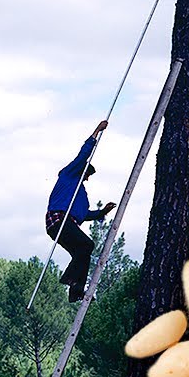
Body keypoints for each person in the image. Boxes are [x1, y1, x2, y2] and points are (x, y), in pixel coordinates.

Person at [47, 120, 117, 302]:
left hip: (65, 222)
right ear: (81, 171)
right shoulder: (68, 175)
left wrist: (102, 212)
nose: (87, 179)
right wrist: (96, 132)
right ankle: (70, 279)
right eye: (86, 174)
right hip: (59, 220)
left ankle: (76, 289)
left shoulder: (79, 192)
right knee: (86, 245)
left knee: (82, 251)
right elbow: (83, 155)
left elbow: (84, 214)